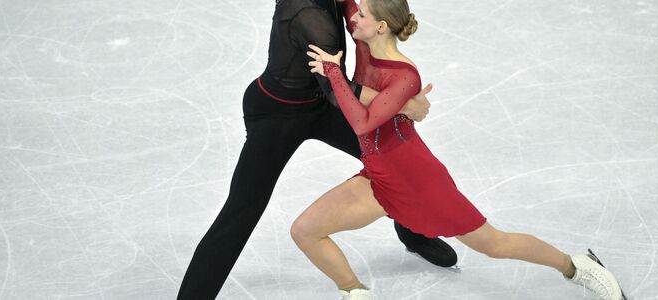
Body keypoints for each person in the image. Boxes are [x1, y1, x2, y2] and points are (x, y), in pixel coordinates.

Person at [293, 0, 628, 299]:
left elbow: (363, 124)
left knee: (493, 244)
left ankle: (577, 267)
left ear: (380, 26)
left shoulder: (405, 76)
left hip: (417, 179)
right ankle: (355, 291)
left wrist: (334, 73)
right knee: (305, 230)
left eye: (362, 14)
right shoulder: (368, 44)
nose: (353, 18)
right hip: (379, 175)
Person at [176, 0, 460, 299]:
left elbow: (359, 31)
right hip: (278, 115)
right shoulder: (309, 14)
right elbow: (338, 92)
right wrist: (404, 102)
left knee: (395, 159)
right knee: (243, 208)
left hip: (319, 104)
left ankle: (412, 232)